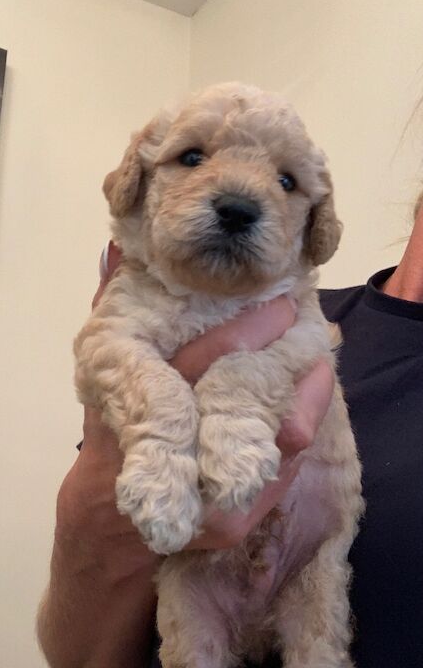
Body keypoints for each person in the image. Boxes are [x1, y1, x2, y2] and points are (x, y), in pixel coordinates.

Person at [37, 192, 423, 668]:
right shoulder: (266, 316)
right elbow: (76, 657)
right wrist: (106, 501)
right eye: (192, 159)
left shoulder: (294, 328)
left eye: (283, 180)